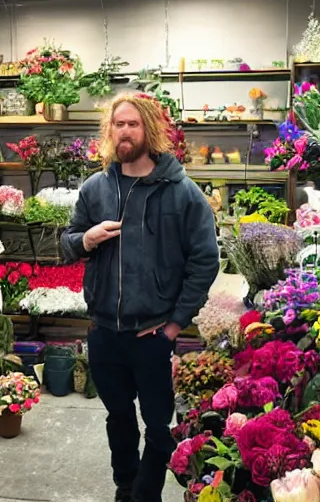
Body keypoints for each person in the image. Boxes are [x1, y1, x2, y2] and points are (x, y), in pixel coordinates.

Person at [61, 93, 220, 502]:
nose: (125, 131)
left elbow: (204, 261)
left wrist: (174, 324)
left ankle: (146, 493)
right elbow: (66, 244)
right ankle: (125, 485)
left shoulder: (181, 193)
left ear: (149, 128)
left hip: (152, 335)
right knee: (118, 418)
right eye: (119, 124)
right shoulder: (95, 189)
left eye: (133, 123)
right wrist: (86, 239)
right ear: (109, 131)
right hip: (104, 332)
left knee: (158, 425)